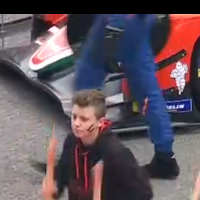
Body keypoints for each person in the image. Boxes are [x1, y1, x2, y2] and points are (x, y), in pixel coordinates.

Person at [74, 14, 179, 180]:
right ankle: (165, 157)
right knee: (147, 89)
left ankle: (82, 157)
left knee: (87, 82)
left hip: (118, 21)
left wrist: (112, 33)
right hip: (141, 21)